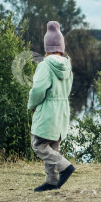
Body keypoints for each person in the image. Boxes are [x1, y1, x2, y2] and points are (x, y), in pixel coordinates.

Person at [27, 21, 75, 192]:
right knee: (53, 145)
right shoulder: (67, 66)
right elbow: (67, 89)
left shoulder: (45, 65)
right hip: (62, 111)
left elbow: (38, 89)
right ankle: (52, 181)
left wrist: (32, 104)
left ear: (47, 47)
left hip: (47, 110)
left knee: (38, 144)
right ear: (61, 46)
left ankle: (65, 166)